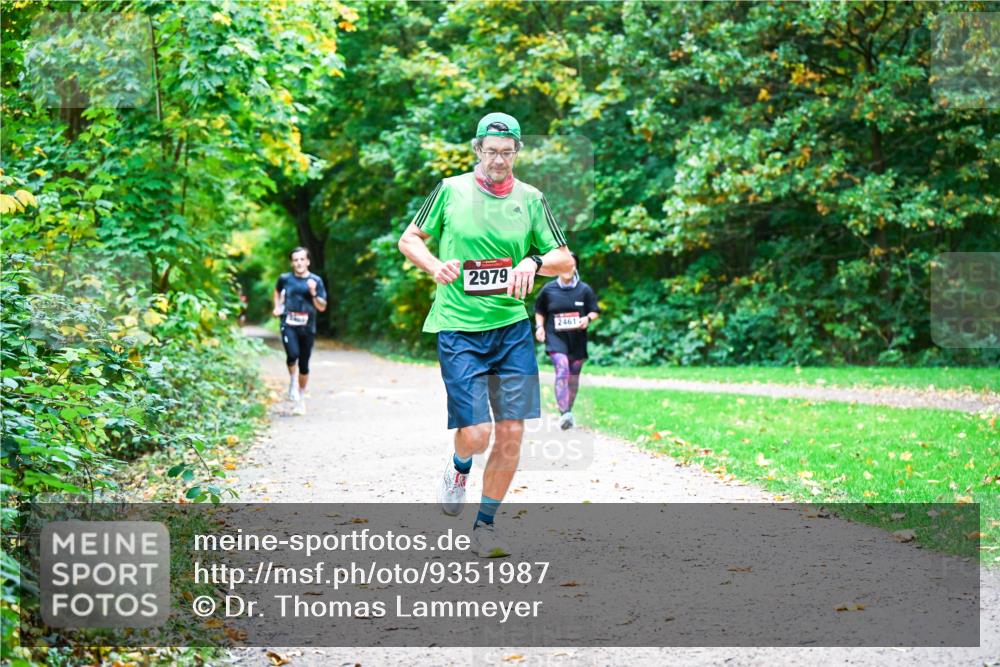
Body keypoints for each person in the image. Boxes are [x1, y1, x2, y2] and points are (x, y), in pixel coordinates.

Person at [397, 112, 573, 557]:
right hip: (459, 327)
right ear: (478, 150)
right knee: (476, 435)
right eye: (491, 151)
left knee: (511, 433)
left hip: (511, 328)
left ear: (517, 152)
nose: (499, 159)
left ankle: (486, 526)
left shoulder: (531, 198)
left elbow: (565, 260)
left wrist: (532, 263)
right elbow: (410, 239)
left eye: (507, 152)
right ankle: (459, 469)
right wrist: (434, 264)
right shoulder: (450, 190)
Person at [533, 252, 599, 429]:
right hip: (556, 337)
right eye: (564, 264)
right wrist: (539, 327)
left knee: (573, 376)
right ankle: (564, 413)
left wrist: (588, 319)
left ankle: (568, 411)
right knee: (562, 368)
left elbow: (594, 310)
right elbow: (540, 311)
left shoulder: (584, 290)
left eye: (571, 264)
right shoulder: (548, 289)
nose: (568, 269)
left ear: (575, 267)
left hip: (577, 339)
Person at [273, 247, 327, 415]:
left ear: (308, 261)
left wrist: (313, 292)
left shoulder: (316, 280)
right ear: (292, 263)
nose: (299, 263)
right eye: (295, 260)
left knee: (304, 364)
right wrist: (278, 307)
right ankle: (292, 381)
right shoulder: (285, 279)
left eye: (302, 259)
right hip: (288, 323)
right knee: (292, 354)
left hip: (307, 326)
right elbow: (277, 291)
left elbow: (322, 306)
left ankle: (301, 398)